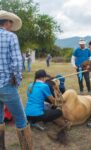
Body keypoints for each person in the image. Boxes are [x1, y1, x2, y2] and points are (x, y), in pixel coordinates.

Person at [0, 10, 33, 149]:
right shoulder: (10, 36)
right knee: (21, 119)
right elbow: (17, 63)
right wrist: (17, 81)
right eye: (11, 23)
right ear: (7, 22)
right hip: (7, 85)